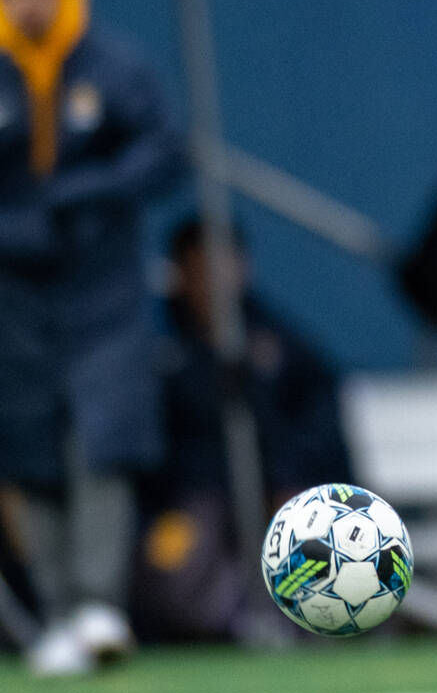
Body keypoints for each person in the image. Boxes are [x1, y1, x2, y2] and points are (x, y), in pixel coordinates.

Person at [0, 0, 180, 675]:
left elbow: (164, 149)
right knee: (29, 446)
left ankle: (99, 602)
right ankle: (54, 608)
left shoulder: (112, 64)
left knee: (101, 440)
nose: (29, 3)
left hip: (98, 287)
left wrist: (93, 191)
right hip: (13, 293)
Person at [137, 217, 351, 640]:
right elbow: (153, 449)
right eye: (198, 270)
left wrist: (287, 477)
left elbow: (321, 427)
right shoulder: (162, 353)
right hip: (196, 498)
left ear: (243, 267)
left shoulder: (281, 346)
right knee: (165, 572)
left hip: (280, 494)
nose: (211, 281)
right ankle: (232, 618)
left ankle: (293, 622)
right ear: (179, 274)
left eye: (222, 266)